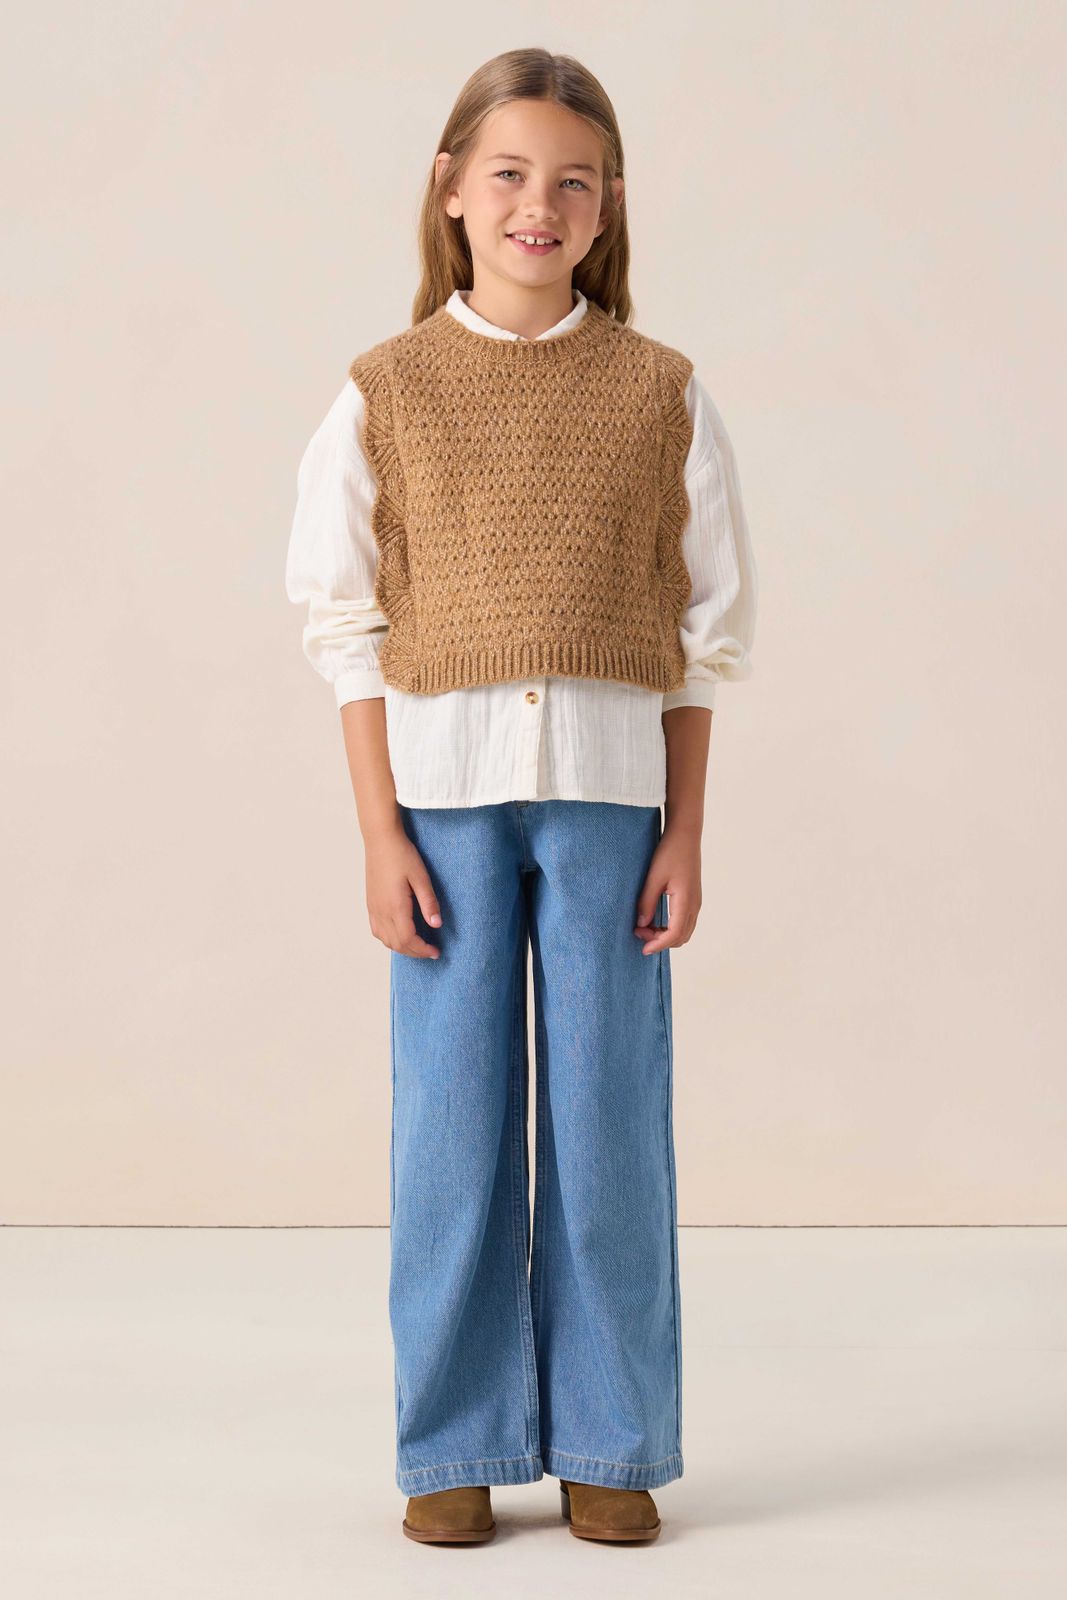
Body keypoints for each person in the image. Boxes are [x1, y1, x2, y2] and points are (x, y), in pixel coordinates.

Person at [285, 46, 757, 1547]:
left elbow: (704, 632)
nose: (536, 204)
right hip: (442, 804)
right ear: (450, 188)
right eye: (508, 173)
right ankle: (454, 1441)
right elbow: (344, 624)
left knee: (611, 1120)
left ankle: (613, 1437)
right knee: (451, 1129)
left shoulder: (662, 392)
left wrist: (687, 827)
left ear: (609, 207)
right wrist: (379, 831)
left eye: (572, 181)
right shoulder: (386, 391)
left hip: (613, 804)